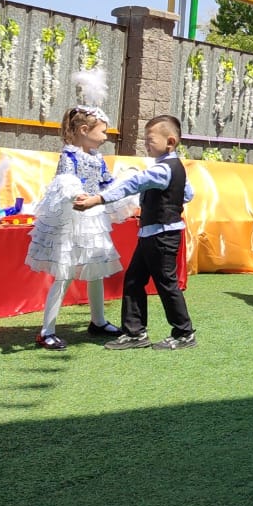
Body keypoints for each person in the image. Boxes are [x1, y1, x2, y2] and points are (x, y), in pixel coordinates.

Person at [74, 114, 197, 351]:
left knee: (166, 284)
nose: (146, 144)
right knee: (134, 280)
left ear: (170, 142)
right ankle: (135, 332)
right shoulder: (174, 167)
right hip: (155, 233)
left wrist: (96, 200)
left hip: (161, 235)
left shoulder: (162, 170)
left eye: (150, 140)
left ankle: (184, 333)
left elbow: (132, 184)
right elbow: (187, 194)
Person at [24, 105, 134, 350]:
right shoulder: (69, 156)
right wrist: (76, 194)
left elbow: (106, 184)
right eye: (103, 131)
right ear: (84, 130)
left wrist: (124, 191)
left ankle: (98, 321)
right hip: (72, 221)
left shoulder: (97, 158)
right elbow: (64, 184)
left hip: (93, 221)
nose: (106, 137)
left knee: (95, 269)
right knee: (65, 273)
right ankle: (46, 331)